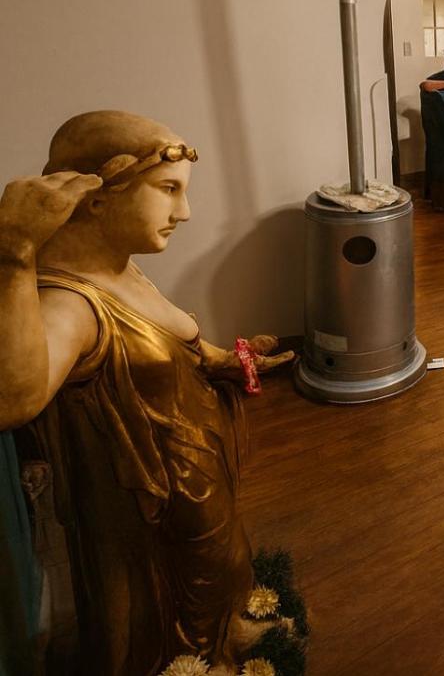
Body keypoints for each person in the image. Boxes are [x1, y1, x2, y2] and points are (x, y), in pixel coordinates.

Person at [0, 111, 294, 673]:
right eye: (168, 190)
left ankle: (227, 631)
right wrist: (13, 252)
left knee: (222, 560)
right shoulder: (69, 305)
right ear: (96, 199)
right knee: (184, 582)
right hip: (155, 492)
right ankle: (197, 661)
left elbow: (174, 336)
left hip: (194, 464)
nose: (184, 212)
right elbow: (13, 401)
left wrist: (226, 361)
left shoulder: (120, 269)